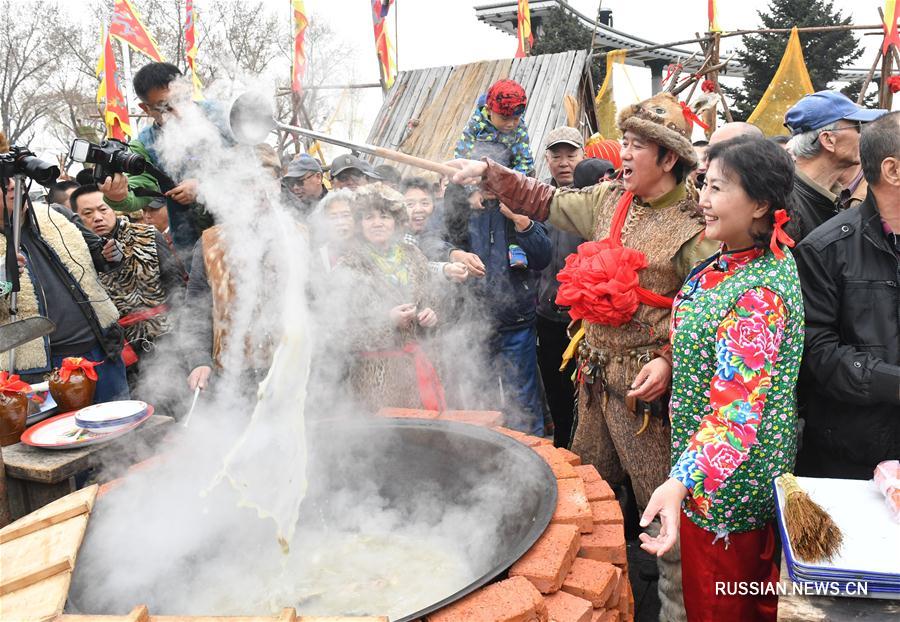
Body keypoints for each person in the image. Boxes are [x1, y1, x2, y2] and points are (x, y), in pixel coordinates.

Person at [447, 91, 718, 621]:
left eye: (638, 145)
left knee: (662, 503)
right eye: (627, 141)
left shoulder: (696, 224)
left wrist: (667, 358)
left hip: (652, 397)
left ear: (668, 158)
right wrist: (488, 172)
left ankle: (672, 602)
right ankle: (593, 591)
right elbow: (542, 199)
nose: (624, 152)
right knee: (588, 484)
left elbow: (707, 311)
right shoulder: (607, 199)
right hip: (594, 376)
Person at [639, 136, 804, 622]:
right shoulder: (735, 258)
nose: (703, 201)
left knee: (723, 608)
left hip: (727, 495)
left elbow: (734, 417)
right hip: (708, 478)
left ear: (760, 204)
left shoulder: (757, 294)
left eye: (718, 189)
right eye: (703, 185)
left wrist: (679, 483)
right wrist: (671, 363)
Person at [793, 111, 900, 480]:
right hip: (851, 455)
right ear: (893, 171)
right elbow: (816, 351)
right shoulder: (825, 248)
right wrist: (892, 382)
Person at [0, 134, 127, 402]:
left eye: (15, 176)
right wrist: (4, 279)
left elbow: (101, 255)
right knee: (63, 440)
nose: (13, 185)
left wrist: (111, 254)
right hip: (40, 374)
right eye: (3, 179)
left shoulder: (55, 214)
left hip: (101, 351)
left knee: (123, 435)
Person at [444, 144, 552, 436]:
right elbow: (432, 240)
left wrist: (523, 222)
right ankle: (490, 465)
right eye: (483, 177)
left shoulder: (522, 207)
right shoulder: (460, 208)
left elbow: (543, 257)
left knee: (524, 399)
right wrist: (454, 255)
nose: (488, 184)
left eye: (495, 176)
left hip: (518, 322)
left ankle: (533, 462)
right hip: (473, 324)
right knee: (481, 401)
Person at [100, 62, 233, 257]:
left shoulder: (222, 114)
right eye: (164, 108)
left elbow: (260, 160)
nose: (178, 112)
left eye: (181, 100)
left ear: (187, 89)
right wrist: (117, 196)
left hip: (252, 226)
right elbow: (138, 191)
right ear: (145, 108)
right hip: (197, 245)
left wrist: (204, 186)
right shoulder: (145, 144)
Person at [331, 183, 442, 411]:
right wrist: (386, 320)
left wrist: (431, 315)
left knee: (421, 440)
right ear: (360, 224)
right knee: (382, 443)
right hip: (372, 379)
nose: (377, 223)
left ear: (396, 221)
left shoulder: (415, 256)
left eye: (384, 216)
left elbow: (432, 300)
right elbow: (339, 331)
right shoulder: (348, 267)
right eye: (369, 217)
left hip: (415, 372)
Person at [71, 185, 185, 376]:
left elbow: (176, 286)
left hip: (167, 336)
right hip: (118, 349)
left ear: (112, 208)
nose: (97, 217)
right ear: (76, 217)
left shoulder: (147, 236)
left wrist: (186, 332)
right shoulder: (76, 256)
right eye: (87, 213)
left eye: (103, 209)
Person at [535, 126, 585, 447]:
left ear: (583, 156)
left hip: (581, 322)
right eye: (557, 155)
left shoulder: (593, 200)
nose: (564, 162)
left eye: (571, 155)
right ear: (548, 159)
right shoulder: (537, 199)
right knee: (556, 393)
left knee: (584, 396)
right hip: (546, 317)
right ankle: (562, 451)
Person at [784, 90, 887, 240]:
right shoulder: (786, 205)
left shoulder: (826, 197)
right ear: (828, 140)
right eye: (857, 127)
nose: (862, 135)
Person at [454, 79, 535, 176]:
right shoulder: (476, 125)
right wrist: (472, 189)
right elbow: (462, 157)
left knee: (530, 175)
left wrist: (509, 183)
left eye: (516, 118)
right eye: (505, 119)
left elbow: (525, 162)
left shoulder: (519, 129)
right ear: (488, 110)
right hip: (476, 176)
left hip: (507, 178)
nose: (511, 124)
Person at [401, 176, 467, 283]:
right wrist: (445, 270)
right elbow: (416, 268)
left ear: (433, 205)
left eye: (425, 203)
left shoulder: (443, 228)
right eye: (410, 204)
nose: (418, 209)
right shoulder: (397, 239)